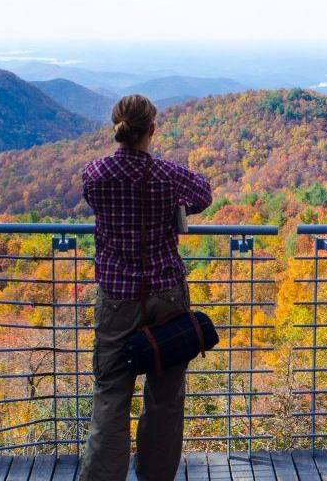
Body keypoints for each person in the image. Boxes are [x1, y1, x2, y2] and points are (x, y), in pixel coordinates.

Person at [79, 95, 212, 481]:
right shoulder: (170, 176)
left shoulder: (96, 174)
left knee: (111, 395)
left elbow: (93, 199)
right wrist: (177, 209)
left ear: (116, 127)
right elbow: (203, 192)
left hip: (117, 298)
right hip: (166, 296)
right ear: (152, 130)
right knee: (166, 398)